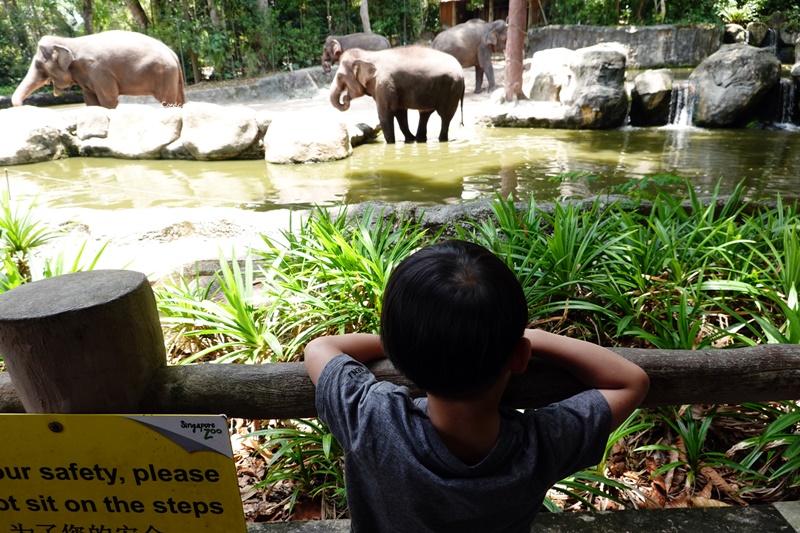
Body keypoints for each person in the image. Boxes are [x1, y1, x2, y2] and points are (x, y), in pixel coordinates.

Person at [304, 239, 650, 532]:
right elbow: (630, 382)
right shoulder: (542, 446)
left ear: (400, 355)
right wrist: (531, 339)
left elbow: (320, 348)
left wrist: (409, 343)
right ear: (518, 357)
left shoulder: (371, 420)